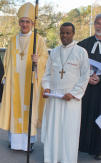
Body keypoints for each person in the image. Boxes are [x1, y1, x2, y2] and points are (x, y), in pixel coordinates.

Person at [0, 2, 49, 151]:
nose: (25, 24)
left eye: (28, 21)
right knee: (15, 111)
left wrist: (37, 61)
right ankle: (14, 142)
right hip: (14, 83)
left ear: (32, 23)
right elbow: (6, 60)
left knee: (29, 110)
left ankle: (29, 142)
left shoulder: (38, 40)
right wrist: (6, 77)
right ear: (19, 22)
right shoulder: (13, 40)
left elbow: (45, 58)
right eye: (22, 21)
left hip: (30, 81)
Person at [41, 22, 90, 163]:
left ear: (73, 34)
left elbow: (85, 75)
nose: (64, 35)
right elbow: (47, 73)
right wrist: (46, 87)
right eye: (62, 32)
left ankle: (67, 159)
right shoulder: (54, 51)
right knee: (54, 129)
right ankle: (52, 158)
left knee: (68, 130)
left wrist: (74, 93)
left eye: (68, 33)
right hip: (54, 96)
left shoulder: (81, 52)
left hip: (71, 97)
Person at [78, 13, 101, 160]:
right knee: (82, 116)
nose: (100, 26)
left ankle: (99, 149)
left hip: (100, 90)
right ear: (94, 24)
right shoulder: (82, 45)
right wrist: (86, 77)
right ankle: (80, 145)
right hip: (85, 89)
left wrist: (100, 78)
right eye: (97, 23)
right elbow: (74, 66)